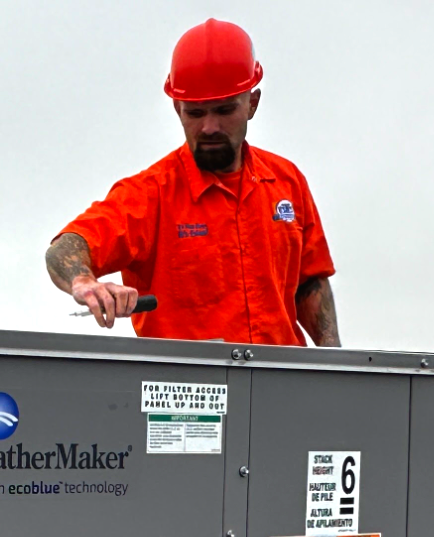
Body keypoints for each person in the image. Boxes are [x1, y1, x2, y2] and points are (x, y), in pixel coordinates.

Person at [46, 18, 339, 347]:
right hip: (188, 392)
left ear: (252, 104)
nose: (210, 127)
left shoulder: (287, 183)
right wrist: (84, 281)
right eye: (196, 113)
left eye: (224, 110)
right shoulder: (150, 194)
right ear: (177, 108)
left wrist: (337, 370)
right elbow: (65, 248)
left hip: (281, 386)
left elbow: (310, 284)